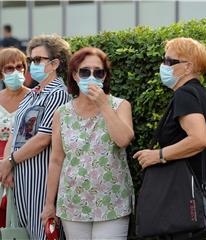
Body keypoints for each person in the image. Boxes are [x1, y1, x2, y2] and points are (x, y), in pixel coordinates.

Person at [133, 37, 206, 239]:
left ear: (188, 67)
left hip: (183, 204)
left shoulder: (184, 95)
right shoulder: (203, 97)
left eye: (169, 61)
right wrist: (196, 172)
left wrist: (158, 155)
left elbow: (200, 140)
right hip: (202, 201)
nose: (163, 66)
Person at [41, 47, 135, 239]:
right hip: (72, 203)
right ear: (75, 75)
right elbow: (56, 160)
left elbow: (124, 139)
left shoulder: (120, 105)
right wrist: (49, 203)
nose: (91, 77)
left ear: (104, 76)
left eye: (98, 72)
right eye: (85, 71)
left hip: (111, 202)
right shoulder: (62, 113)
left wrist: (103, 105)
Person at [0, 34, 71, 239]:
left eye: (38, 60)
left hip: (40, 180)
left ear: (55, 63)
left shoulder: (58, 93)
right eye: (30, 60)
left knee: (42, 234)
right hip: (19, 179)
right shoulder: (31, 94)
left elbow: (43, 138)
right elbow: (14, 133)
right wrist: (7, 164)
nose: (32, 64)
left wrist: (11, 160)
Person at [0, 47, 30, 232]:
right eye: (9, 69)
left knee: (23, 217)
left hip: (26, 161)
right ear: (0, 73)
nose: (15, 72)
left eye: (19, 67)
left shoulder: (33, 96)